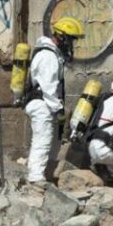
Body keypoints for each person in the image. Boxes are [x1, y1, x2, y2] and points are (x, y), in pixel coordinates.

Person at [25, 17, 83, 184]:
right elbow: (49, 88)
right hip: (43, 104)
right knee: (42, 140)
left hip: (45, 104)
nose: (72, 44)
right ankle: (35, 178)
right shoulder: (48, 56)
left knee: (52, 143)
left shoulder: (51, 54)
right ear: (62, 37)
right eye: (71, 39)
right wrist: (59, 110)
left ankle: (45, 175)